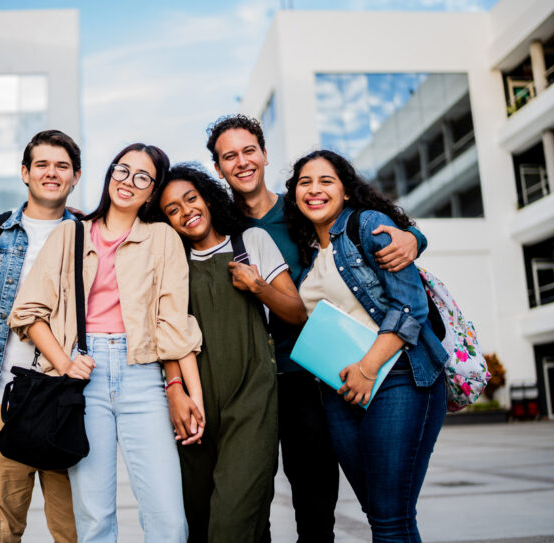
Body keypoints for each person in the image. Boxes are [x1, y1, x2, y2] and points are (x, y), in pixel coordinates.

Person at [205, 114, 426, 542]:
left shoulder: (302, 207)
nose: (242, 162)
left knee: (314, 503)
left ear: (265, 155)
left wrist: (415, 237)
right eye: (229, 156)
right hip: (243, 381)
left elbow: (372, 226)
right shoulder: (218, 223)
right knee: (247, 501)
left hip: (309, 373)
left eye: (249, 150)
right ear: (218, 168)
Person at [8, 143, 203, 543]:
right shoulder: (71, 233)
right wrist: (64, 362)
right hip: (85, 378)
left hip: (143, 375)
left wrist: (189, 394)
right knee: (95, 518)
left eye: (142, 177)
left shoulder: (162, 238)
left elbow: (173, 325)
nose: (128, 182)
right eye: (122, 170)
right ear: (109, 173)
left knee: (168, 517)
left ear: (152, 191)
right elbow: (27, 312)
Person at [284, 149, 448, 542]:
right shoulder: (309, 255)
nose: (314, 189)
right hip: (342, 392)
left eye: (326, 181)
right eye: (305, 182)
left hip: (399, 377)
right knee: (382, 514)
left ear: (345, 191)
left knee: (391, 518)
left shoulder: (369, 225)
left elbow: (411, 305)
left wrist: (367, 368)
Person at [157, 163, 306, 542]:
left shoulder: (250, 242)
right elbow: (166, 332)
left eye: (191, 198)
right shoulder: (171, 262)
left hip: (251, 402)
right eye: (172, 209)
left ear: (208, 198)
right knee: (199, 519)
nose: (186, 210)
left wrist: (258, 286)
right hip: (195, 407)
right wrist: (175, 389)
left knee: (233, 519)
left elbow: (296, 312)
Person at [0, 130, 81, 543]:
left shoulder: (90, 235)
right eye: (42, 164)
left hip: (69, 400)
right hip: (0, 400)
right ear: (25, 173)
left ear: (76, 176)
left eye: (62, 166)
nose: (52, 173)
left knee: (77, 531)